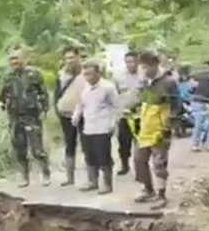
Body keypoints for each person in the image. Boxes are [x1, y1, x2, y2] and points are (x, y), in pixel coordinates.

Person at [0, 48, 52, 188]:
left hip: (32, 116)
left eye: (17, 58)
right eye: (12, 59)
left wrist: (44, 109)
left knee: (37, 148)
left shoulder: (34, 74)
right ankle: (24, 176)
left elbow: (43, 93)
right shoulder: (7, 77)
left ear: (24, 59)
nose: (14, 61)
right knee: (19, 147)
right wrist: (2, 105)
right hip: (15, 117)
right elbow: (2, 94)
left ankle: (45, 173)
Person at [134, 50, 179, 210]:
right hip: (146, 127)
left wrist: (168, 127)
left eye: (146, 67)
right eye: (142, 68)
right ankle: (147, 189)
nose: (144, 71)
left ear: (155, 65)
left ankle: (161, 194)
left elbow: (175, 106)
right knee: (139, 159)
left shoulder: (168, 82)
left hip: (161, 128)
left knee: (159, 162)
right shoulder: (145, 83)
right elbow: (141, 102)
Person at [71, 61, 119, 194]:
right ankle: (92, 181)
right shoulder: (84, 88)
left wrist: (113, 122)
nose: (88, 77)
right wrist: (76, 116)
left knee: (103, 157)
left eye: (91, 74)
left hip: (103, 126)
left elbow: (116, 106)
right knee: (89, 156)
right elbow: (80, 104)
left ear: (98, 73)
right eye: (85, 74)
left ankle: (107, 184)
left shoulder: (108, 87)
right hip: (88, 126)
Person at [53, 46, 88, 186]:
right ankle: (70, 178)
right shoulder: (61, 74)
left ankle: (91, 177)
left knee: (87, 143)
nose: (69, 61)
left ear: (78, 57)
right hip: (66, 114)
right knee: (69, 143)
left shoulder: (86, 73)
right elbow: (57, 93)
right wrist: (57, 109)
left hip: (85, 113)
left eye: (72, 58)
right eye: (67, 58)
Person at [112, 50, 144, 176]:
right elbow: (115, 95)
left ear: (137, 61)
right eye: (128, 62)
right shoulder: (119, 77)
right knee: (123, 142)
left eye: (133, 61)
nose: (130, 64)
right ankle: (125, 165)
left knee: (139, 142)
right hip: (124, 115)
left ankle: (140, 168)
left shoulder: (143, 77)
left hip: (139, 114)